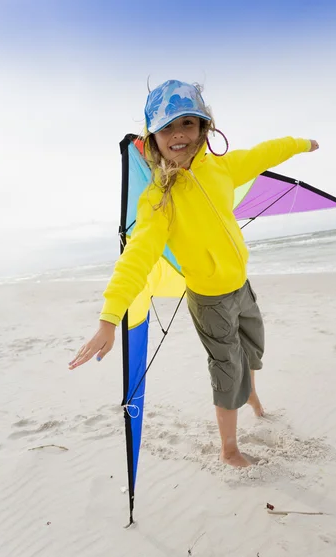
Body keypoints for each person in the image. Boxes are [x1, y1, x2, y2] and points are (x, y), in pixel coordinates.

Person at [69, 79, 319, 468]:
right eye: (167, 127)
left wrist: (302, 143)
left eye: (187, 122)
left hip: (241, 286)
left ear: (204, 128)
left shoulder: (223, 168)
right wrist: (109, 317)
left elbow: (265, 153)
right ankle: (229, 449)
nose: (178, 134)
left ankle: (250, 392)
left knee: (253, 351)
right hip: (209, 300)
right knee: (227, 367)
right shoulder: (158, 200)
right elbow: (136, 256)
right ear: (153, 139)